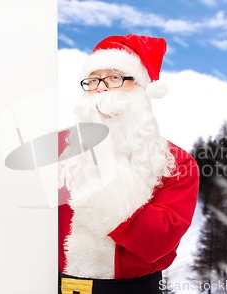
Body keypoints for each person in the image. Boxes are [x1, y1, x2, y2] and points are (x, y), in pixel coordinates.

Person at [58, 34, 199, 294]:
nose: (101, 88)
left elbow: (158, 242)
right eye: (93, 80)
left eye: (114, 78)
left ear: (141, 89)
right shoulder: (60, 151)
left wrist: (100, 181)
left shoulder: (176, 163)